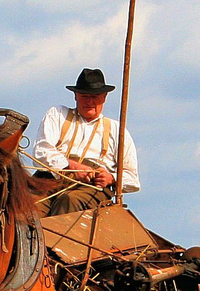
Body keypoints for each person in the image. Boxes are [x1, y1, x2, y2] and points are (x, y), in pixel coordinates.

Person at [31, 68, 140, 215]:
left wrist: (110, 178)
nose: (89, 101)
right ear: (75, 96)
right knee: (24, 205)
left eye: (95, 97)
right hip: (49, 179)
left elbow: (132, 178)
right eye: (84, 96)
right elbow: (41, 151)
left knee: (69, 201)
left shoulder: (116, 130)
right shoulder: (57, 115)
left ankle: (58, 238)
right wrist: (72, 166)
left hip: (90, 186)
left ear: (104, 97)